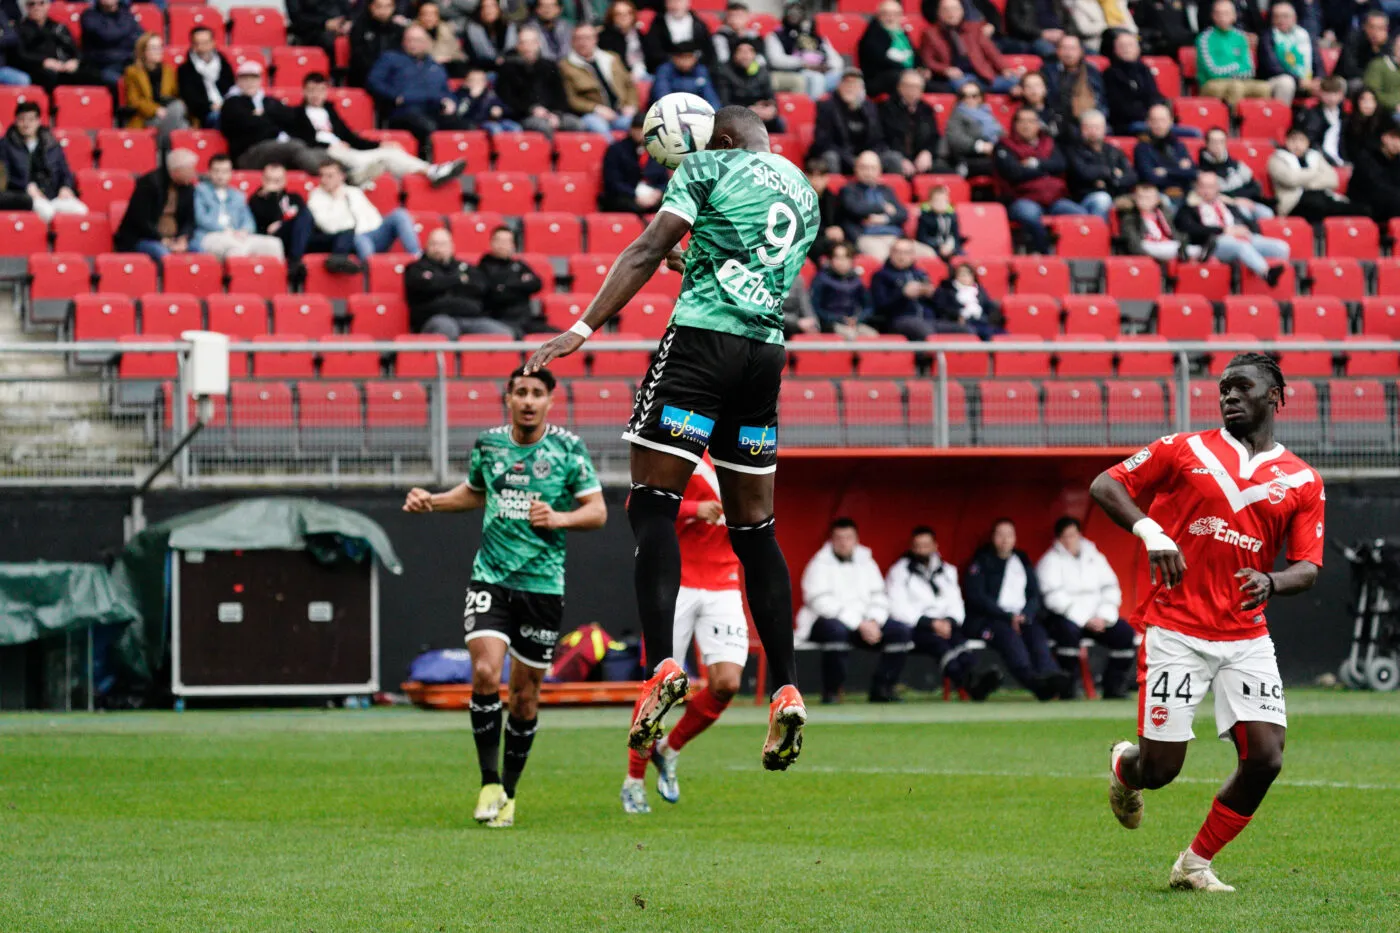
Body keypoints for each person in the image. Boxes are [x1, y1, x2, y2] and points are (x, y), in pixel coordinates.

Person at [524, 106, 818, 772]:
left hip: (700, 349)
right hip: (764, 357)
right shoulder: (803, 192)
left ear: (715, 139)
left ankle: (660, 665)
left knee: (651, 502)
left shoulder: (708, 165)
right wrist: (695, 258)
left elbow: (646, 247)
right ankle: (786, 687)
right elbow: (743, 271)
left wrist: (582, 326)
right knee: (756, 531)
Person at [1094, 354, 1323, 892]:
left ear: (1275, 397)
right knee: (1160, 772)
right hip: (1176, 629)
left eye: (1242, 387)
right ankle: (1125, 765)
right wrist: (1152, 532)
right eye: (1223, 388)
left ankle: (1194, 865)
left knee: (1266, 758)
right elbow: (1107, 485)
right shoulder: (1184, 449)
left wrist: (1273, 582)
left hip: (1246, 636)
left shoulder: (1302, 480)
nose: (1229, 396)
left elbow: (1308, 568)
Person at [403, 367, 606, 830]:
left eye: (537, 393)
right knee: (485, 671)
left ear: (551, 401)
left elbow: (597, 512)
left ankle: (510, 793)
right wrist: (430, 501)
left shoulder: (569, 449)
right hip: (490, 579)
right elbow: (474, 493)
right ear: (508, 398)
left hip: (542, 586)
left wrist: (558, 518)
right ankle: (489, 782)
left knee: (525, 697)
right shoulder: (489, 445)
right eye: (521, 393)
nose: (529, 401)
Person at [622, 451, 749, 813]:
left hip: (723, 578)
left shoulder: (743, 449)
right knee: (659, 686)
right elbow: (637, 504)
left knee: (727, 684)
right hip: (674, 575)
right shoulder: (677, 446)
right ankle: (633, 780)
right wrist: (694, 508)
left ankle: (669, 748)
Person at [797, 518, 911, 704]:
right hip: (827, 623)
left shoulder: (867, 562)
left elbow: (879, 595)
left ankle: (882, 689)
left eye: (848, 537)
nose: (843, 542)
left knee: (900, 631)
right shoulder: (819, 564)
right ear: (831, 540)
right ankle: (832, 692)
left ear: (856, 539)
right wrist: (858, 623)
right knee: (835, 630)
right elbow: (819, 602)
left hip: (866, 624)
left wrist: (874, 621)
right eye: (839, 538)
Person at [887, 526, 1002, 702]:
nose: (922, 550)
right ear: (912, 547)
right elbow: (897, 606)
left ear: (935, 546)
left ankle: (975, 677)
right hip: (917, 626)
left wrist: (948, 621)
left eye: (926, 545)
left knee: (960, 643)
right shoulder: (899, 572)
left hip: (947, 624)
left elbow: (956, 602)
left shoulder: (948, 571)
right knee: (940, 646)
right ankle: (969, 683)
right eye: (918, 546)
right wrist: (930, 623)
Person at [290, 73, 465, 186]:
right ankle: (431, 171)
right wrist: (327, 146)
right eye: (311, 90)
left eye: (320, 90)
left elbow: (352, 138)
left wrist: (380, 144)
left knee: (388, 154)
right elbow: (301, 140)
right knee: (388, 157)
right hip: (329, 155)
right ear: (304, 91)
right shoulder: (297, 115)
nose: (316, 95)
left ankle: (361, 176)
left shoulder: (330, 111)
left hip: (349, 154)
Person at [965, 519, 1070, 701]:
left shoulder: (1021, 560)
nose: (1005, 540)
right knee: (1011, 642)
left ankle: (1051, 676)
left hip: (1022, 617)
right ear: (992, 538)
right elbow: (977, 597)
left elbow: (1033, 594)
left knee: (1037, 636)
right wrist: (1007, 616)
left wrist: (1026, 614)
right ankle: (1034, 683)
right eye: (1000, 535)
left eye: (1009, 535)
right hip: (992, 620)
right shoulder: (981, 561)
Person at [1036, 516, 1137, 699]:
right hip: (1067, 618)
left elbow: (1110, 587)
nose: (1070, 540)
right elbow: (1053, 598)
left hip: (1098, 618)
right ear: (1058, 538)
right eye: (1065, 536)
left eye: (1073, 535)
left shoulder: (1095, 556)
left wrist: (1103, 617)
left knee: (1125, 634)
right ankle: (1070, 689)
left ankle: (1113, 687)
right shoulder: (1049, 561)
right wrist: (1085, 619)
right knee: (1067, 633)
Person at [366, 26, 470, 155]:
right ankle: (428, 163)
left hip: (435, 109)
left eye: (418, 40)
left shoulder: (434, 65)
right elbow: (374, 81)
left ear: (427, 43)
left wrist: (451, 101)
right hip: (404, 110)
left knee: (466, 126)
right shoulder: (390, 58)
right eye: (410, 40)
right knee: (428, 126)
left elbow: (446, 91)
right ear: (403, 41)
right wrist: (394, 96)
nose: (414, 44)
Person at [996, 106, 1084, 254]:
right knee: (1029, 215)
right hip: (1022, 198)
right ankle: (1045, 254)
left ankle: (1075, 257)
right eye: (1022, 121)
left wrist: (1035, 163)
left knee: (1082, 216)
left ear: (1038, 124)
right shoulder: (1004, 146)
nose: (1026, 125)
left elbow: (1061, 164)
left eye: (1031, 121)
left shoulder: (1049, 143)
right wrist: (1045, 170)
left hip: (1055, 199)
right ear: (1014, 124)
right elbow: (1014, 172)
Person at [1175, 172, 1289, 287]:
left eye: (1210, 187)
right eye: (1203, 186)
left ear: (1217, 188)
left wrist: (1245, 230)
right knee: (1240, 246)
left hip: (1240, 237)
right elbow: (1190, 228)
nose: (1206, 190)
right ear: (1197, 188)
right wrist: (1223, 230)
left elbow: (1249, 222)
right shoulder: (1188, 207)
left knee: (1281, 247)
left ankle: (1273, 283)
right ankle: (1266, 273)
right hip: (1213, 243)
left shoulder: (1226, 203)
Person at [221, 62, 329, 173]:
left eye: (253, 78)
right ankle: (324, 175)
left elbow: (293, 118)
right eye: (245, 79)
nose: (250, 83)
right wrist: (273, 125)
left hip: (275, 148)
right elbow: (249, 126)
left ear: (260, 81)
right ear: (238, 82)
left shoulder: (269, 101)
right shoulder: (232, 103)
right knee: (295, 146)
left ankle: (339, 176)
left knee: (318, 151)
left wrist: (263, 116)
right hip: (248, 154)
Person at [308, 160, 421, 265]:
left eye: (329, 176)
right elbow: (329, 227)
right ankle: (372, 277)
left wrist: (371, 230)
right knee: (360, 240)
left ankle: (418, 258)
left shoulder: (353, 192)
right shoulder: (316, 197)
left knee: (399, 214)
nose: (324, 180)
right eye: (321, 175)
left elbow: (373, 215)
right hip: (351, 238)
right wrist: (337, 199)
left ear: (341, 176)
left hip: (373, 233)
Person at [405, 229, 506, 337]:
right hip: (433, 319)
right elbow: (425, 287)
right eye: (434, 244)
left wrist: (442, 282)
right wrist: (458, 280)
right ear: (427, 246)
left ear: (451, 246)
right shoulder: (416, 268)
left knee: (501, 333)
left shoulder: (466, 267)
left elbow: (481, 287)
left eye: (443, 244)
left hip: (470, 318)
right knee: (447, 328)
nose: (438, 248)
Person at [0, 100, 85, 223]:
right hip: (25, 198)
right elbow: (4, 177)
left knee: (80, 210)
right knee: (46, 212)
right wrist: (26, 186)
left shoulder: (51, 144)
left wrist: (66, 187)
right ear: (16, 121)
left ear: (38, 121)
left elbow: (65, 171)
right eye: (22, 119)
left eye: (30, 119)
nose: (26, 124)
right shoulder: (5, 145)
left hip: (53, 195)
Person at [191, 154, 285, 260]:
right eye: (216, 171)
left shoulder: (238, 195)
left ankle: (276, 276)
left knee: (273, 244)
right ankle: (240, 276)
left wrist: (244, 230)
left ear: (231, 173)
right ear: (209, 172)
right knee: (236, 248)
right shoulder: (200, 191)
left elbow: (249, 220)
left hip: (237, 235)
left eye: (225, 171)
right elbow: (201, 218)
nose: (220, 175)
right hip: (210, 235)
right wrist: (225, 230)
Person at [114, 149, 199, 261]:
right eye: (191, 170)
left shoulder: (188, 187)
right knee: (164, 255)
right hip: (145, 238)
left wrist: (183, 238)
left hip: (175, 238)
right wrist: (162, 239)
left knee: (199, 251)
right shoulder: (150, 184)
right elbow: (141, 221)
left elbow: (189, 219)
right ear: (176, 171)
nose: (194, 173)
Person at [812, 71, 902, 176]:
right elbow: (823, 142)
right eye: (846, 83)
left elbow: (878, 140)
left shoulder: (870, 108)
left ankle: (887, 191)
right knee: (830, 157)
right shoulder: (826, 107)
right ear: (839, 86)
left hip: (865, 157)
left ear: (861, 89)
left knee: (893, 159)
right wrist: (851, 160)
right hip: (841, 157)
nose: (850, 88)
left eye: (854, 85)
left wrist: (869, 156)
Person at [919, 0, 1018, 95]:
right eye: (946, 10)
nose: (951, 13)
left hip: (982, 75)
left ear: (962, 11)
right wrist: (945, 69)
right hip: (959, 77)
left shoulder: (974, 29)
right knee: (962, 86)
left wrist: (1005, 68)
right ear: (938, 12)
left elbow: (991, 51)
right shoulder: (930, 34)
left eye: (955, 9)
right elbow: (928, 61)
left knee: (1017, 81)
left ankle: (980, 91)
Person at [560, 22, 639, 139]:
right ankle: (614, 155)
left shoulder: (612, 58)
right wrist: (596, 109)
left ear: (595, 39)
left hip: (620, 112)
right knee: (600, 129)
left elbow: (629, 85)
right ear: (572, 42)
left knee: (640, 126)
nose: (583, 42)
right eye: (578, 38)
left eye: (587, 38)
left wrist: (631, 105)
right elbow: (572, 99)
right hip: (591, 115)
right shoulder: (565, 66)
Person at [1197, 0, 1280, 108]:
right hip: (1211, 84)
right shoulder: (1204, 38)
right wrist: (1236, 66)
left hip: (1238, 81)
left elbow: (1249, 70)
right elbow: (1212, 72)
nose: (1222, 17)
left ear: (1234, 16)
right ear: (1213, 16)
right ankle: (1232, 121)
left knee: (1264, 87)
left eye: (1226, 13)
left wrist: (1232, 71)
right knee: (1236, 87)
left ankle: (1257, 121)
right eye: (1218, 13)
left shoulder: (1241, 37)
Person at [497, 26, 577, 138]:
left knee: (576, 124)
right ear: (518, 46)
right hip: (523, 116)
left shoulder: (550, 66)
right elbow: (507, 99)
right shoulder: (507, 68)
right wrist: (531, 109)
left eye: (531, 42)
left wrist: (555, 114)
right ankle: (553, 155)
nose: (528, 47)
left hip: (552, 113)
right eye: (524, 43)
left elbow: (560, 95)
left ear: (538, 44)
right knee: (543, 126)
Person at [872, 237, 958, 338]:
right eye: (898, 252)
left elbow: (941, 305)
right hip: (899, 320)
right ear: (891, 253)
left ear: (913, 255)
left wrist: (932, 294)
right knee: (924, 330)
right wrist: (903, 294)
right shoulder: (881, 276)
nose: (902, 256)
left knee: (966, 330)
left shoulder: (920, 274)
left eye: (906, 252)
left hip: (928, 319)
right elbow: (879, 307)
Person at [838, 150, 912, 261]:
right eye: (864, 168)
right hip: (867, 237)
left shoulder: (886, 190)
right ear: (856, 169)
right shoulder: (848, 190)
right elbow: (855, 209)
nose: (868, 172)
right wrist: (882, 207)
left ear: (879, 170)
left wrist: (884, 219)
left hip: (895, 237)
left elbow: (903, 213)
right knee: (888, 259)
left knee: (928, 255)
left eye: (873, 168)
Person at [1267, 126, 1351, 222]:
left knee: (1360, 209)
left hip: (1323, 197)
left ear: (1307, 142)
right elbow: (1291, 179)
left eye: (1301, 140)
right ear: (1286, 141)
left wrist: (1305, 182)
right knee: (1316, 204)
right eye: (1293, 140)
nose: (1297, 145)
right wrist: (1315, 173)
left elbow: (1333, 180)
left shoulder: (1315, 156)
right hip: (1294, 204)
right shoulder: (1277, 159)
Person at [16, 0, 103, 92]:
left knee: (94, 75)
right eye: (32, 4)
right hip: (37, 69)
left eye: (41, 3)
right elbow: (20, 54)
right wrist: (43, 62)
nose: (37, 7)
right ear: (26, 7)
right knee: (49, 76)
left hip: (63, 67)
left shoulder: (58, 27)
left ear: (48, 5)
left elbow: (75, 49)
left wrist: (75, 61)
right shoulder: (19, 29)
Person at [1067, 109, 1138, 220]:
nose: (1093, 131)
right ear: (1081, 129)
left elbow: (1132, 176)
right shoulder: (1074, 151)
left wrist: (1111, 181)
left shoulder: (1113, 150)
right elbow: (1085, 173)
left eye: (1097, 127)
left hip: (1116, 194)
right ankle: (1098, 235)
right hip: (1085, 199)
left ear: (1105, 129)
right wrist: (1112, 173)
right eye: (1088, 127)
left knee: (1149, 198)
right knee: (1102, 199)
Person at [479, 226, 548, 338]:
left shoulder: (519, 265)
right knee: (514, 336)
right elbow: (495, 294)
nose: (503, 245)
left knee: (561, 337)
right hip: (499, 320)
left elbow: (537, 284)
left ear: (513, 245)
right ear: (492, 243)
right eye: (499, 241)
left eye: (507, 241)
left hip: (527, 320)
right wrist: (520, 284)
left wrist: (507, 286)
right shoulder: (484, 266)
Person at [765, 0, 842, 99]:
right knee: (816, 79)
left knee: (848, 78)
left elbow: (837, 61)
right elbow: (776, 60)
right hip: (797, 72)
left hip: (823, 71)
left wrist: (827, 66)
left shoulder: (816, 36)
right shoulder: (776, 35)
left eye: (799, 11)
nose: (795, 14)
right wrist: (803, 64)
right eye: (792, 12)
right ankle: (812, 111)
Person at [122, 34, 189, 144]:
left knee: (181, 117)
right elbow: (133, 100)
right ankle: (162, 146)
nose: (159, 51)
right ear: (143, 51)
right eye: (154, 48)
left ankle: (160, 146)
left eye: (160, 47)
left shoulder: (169, 70)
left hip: (168, 113)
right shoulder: (132, 72)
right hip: (146, 117)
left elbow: (175, 94)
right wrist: (155, 109)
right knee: (181, 122)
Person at [601, 113, 669, 212]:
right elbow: (613, 181)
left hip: (652, 195)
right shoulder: (616, 149)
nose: (641, 133)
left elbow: (664, 180)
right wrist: (635, 195)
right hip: (625, 196)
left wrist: (658, 192)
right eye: (638, 129)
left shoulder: (657, 150)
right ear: (631, 129)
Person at [248, 163, 314, 266]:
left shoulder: (294, 197)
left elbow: (306, 219)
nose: (273, 184)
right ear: (263, 180)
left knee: (305, 215)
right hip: (275, 238)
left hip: (297, 236)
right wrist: (272, 196)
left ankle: (295, 260)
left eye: (277, 180)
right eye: (269, 180)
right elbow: (266, 226)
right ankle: (295, 262)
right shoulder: (256, 200)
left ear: (285, 180)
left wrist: (282, 223)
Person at [879, 69, 941, 178]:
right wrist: (902, 159)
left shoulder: (927, 110)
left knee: (945, 170)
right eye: (908, 86)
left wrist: (927, 152)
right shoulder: (886, 108)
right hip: (895, 156)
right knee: (895, 163)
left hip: (920, 159)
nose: (912, 90)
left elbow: (934, 137)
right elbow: (882, 139)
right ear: (899, 87)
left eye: (917, 87)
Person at [1197, 126, 1270, 219]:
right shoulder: (1200, 169)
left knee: (1267, 213)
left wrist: (1239, 198)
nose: (1218, 145)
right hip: (1220, 207)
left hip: (1246, 201)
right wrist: (1233, 201)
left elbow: (1255, 188)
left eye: (1221, 141)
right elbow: (1206, 194)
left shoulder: (1237, 165)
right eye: (1214, 142)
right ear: (1207, 143)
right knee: (1243, 213)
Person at [1104, 31, 1165, 136]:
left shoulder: (1144, 70)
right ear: (1115, 50)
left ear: (1138, 49)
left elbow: (1154, 95)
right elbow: (1118, 106)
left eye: (1130, 45)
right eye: (1122, 46)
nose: (1126, 49)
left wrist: (1156, 113)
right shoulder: (1110, 74)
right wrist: (1148, 116)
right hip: (1126, 124)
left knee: (1193, 132)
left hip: (1151, 120)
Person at [810, 242, 876, 338]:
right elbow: (815, 308)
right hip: (830, 324)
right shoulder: (821, 279)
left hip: (854, 322)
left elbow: (869, 306)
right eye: (837, 258)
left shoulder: (857, 280)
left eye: (846, 258)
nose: (842, 262)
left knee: (873, 336)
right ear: (830, 260)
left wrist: (858, 319)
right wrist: (839, 319)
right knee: (850, 335)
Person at [1042, 35, 1107, 130]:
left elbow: (1101, 99)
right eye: (1064, 48)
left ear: (1081, 51)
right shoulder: (1048, 71)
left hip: (1087, 119)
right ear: (1057, 51)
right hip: (1057, 119)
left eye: (1072, 48)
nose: (1068, 53)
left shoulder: (1091, 72)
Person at [715, 39, 782, 132]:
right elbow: (725, 103)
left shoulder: (762, 71)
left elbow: (771, 96)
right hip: (737, 115)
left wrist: (771, 108)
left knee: (779, 122)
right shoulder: (724, 72)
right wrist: (749, 110)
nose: (746, 56)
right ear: (734, 54)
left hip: (761, 114)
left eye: (750, 51)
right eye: (741, 51)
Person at [1134, 103, 1197, 199]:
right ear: (1148, 122)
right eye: (1155, 121)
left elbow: (1193, 173)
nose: (1159, 125)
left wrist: (1167, 171)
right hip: (1159, 195)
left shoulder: (1178, 145)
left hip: (1184, 193)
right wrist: (1179, 170)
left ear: (1170, 121)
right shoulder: (1142, 147)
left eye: (1163, 120)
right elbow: (1151, 178)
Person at [858, 0, 917, 99]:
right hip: (879, 79)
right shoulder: (873, 33)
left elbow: (914, 54)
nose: (891, 18)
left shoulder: (901, 33)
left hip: (905, 74)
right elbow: (878, 59)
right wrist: (907, 71)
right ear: (878, 15)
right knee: (901, 78)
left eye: (896, 14)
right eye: (886, 14)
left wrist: (921, 68)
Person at [929, 260, 1003, 338]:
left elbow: (988, 305)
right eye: (961, 274)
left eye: (968, 274)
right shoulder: (946, 289)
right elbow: (942, 308)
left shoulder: (979, 290)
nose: (965, 277)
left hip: (980, 320)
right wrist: (958, 315)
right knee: (977, 331)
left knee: (999, 332)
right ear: (955, 276)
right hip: (958, 323)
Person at [177, 26, 233, 128]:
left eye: (206, 42)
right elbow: (190, 99)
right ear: (193, 45)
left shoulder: (224, 64)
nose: (202, 47)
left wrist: (226, 106)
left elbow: (232, 89)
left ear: (213, 43)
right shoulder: (185, 70)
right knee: (220, 117)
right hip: (205, 114)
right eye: (198, 43)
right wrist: (211, 107)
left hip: (227, 108)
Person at [942, 83, 1001, 176]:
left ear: (981, 97)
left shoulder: (987, 114)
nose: (969, 99)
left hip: (993, 154)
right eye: (965, 96)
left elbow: (1001, 133)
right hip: (971, 157)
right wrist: (980, 146)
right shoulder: (957, 114)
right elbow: (956, 138)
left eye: (974, 96)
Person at [79, 0, 141, 90]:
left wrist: (120, 35)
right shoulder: (89, 16)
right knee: (123, 83)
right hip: (102, 67)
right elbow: (106, 35)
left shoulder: (126, 14)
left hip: (127, 62)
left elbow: (139, 37)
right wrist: (125, 34)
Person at [349, 0, 408, 88]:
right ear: (371, 7)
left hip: (393, 78)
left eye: (388, 6)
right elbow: (359, 57)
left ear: (393, 7)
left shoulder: (398, 30)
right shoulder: (359, 28)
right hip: (364, 78)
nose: (383, 11)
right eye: (379, 6)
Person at [643, 0, 713, 74]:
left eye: (678, 1)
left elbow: (707, 51)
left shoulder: (699, 24)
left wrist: (691, 61)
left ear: (687, 3)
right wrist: (676, 61)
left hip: (695, 68)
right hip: (667, 68)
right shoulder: (658, 24)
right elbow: (653, 51)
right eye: (671, 1)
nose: (675, 5)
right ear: (666, 4)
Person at [1118, 182, 1181, 261]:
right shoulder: (1130, 216)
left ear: (1157, 199)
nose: (1145, 201)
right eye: (1141, 198)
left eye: (1148, 198)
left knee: (1191, 249)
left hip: (1166, 244)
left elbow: (1175, 232)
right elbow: (1132, 240)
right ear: (1135, 198)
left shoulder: (1164, 213)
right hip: (1147, 245)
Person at [652, 41, 722, 111]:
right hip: (670, 112)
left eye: (689, 57)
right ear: (674, 58)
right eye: (682, 57)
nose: (686, 61)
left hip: (697, 112)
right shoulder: (664, 70)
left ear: (695, 58)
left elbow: (712, 98)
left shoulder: (701, 70)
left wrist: (713, 113)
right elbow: (663, 98)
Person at [1353, 123, 1400, 224]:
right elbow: (1374, 185)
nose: (1397, 143)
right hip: (1366, 202)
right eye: (1394, 138)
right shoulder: (1367, 156)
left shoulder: (1397, 160)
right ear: (1384, 138)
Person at [1297, 76, 1348, 166]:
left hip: (1341, 158)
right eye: (1327, 93)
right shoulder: (1313, 114)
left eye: (1335, 93)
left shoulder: (1344, 115)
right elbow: (1311, 139)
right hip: (1318, 158)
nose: (1331, 98)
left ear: (1341, 95)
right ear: (1320, 93)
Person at [455, 66, 520, 134]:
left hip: (496, 121)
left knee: (515, 127)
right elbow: (462, 114)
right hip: (477, 123)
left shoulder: (490, 94)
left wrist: (500, 110)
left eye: (480, 80)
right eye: (474, 80)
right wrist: (472, 98)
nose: (478, 83)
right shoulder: (462, 95)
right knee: (495, 129)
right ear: (466, 82)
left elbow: (507, 108)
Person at [1339, 10, 1389, 94]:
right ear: (1364, 26)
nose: (1375, 32)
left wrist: (1377, 48)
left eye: (1380, 28)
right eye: (1372, 27)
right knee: (1359, 85)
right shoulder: (1353, 39)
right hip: (1352, 80)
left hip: (1378, 81)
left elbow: (1389, 67)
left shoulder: (1388, 43)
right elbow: (1349, 69)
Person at [286, 0, 352, 63]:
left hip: (341, 26)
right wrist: (325, 23)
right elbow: (297, 18)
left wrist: (348, 22)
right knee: (328, 40)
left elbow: (349, 10)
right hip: (312, 30)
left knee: (358, 36)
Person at [463, 0, 516, 72]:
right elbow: (473, 58)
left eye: (492, 6)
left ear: (499, 8)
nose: (489, 10)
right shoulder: (472, 30)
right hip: (483, 70)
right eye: (485, 7)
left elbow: (513, 51)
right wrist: (494, 62)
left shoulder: (509, 26)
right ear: (480, 11)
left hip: (509, 67)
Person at [599, 0, 647, 81]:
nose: (624, 17)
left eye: (628, 13)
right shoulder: (605, 37)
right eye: (619, 14)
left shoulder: (639, 32)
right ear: (612, 17)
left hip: (642, 71)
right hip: (618, 77)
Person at [1004, 0, 1071, 57]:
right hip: (1033, 38)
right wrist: (1041, 33)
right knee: (1048, 50)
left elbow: (1068, 20)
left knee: (1077, 47)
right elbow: (1015, 24)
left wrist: (1064, 33)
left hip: (1060, 35)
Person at [417, 2, 465, 78]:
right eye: (425, 14)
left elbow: (458, 55)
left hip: (447, 70)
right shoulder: (413, 33)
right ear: (419, 17)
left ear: (438, 17)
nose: (429, 17)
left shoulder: (447, 30)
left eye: (432, 14)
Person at [916, 184, 963, 259]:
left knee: (962, 256)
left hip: (950, 249)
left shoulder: (952, 217)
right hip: (933, 248)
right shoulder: (925, 217)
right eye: (937, 201)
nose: (941, 204)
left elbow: (956, 236)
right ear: (930, 202)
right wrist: (939, 246)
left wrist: (951, 247)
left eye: (944, 200)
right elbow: (921, 238)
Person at [712, 1, 761, 66]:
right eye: (732, 16)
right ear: (726, 18)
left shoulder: (754, 36)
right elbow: (723, 60)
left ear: (748, 17)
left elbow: (761, 59)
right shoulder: (720, 36)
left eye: (740, 16)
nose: (735, 19)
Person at [1344, 87, 1384, 162]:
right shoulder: (1348, 122)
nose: (1368, 104)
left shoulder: (1384, 121)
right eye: (1364, 100)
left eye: (1371, 100)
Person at [1364, 34, 1400, 115]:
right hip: (1386, 112)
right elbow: (1373, 93)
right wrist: (1394, 105)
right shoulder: (1378, 65)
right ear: (1394, 48)